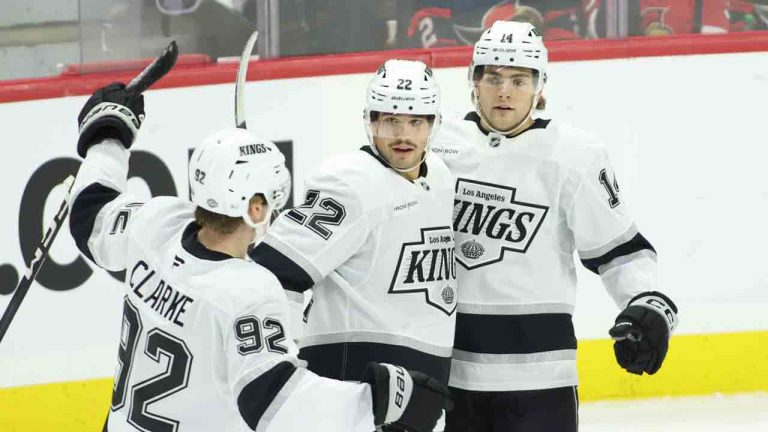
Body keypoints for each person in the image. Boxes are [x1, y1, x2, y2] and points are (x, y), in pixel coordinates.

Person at [70, 82, 451, 431]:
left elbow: (90, 215)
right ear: (255, 208)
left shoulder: (155, 223)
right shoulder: (246, 292)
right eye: (274, 200)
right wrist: (379, 402)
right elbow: (276, 402)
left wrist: (107, 138)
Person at [430, 21, 679, 431]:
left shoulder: (573, 155)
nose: (504, 91)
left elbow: (619, 250)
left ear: (540, 86)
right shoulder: (436, 144)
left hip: (541, 379)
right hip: (452, 375)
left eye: (518, 79)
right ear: (473, 82)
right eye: (492, 77)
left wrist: (647, 303)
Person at [249, 60, 457, 426]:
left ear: (432, 124)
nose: (402, 134)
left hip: (422, 387)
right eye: (389, 120)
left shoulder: (439, 177)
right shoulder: (349, 184)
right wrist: (277, 365)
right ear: (370, 121)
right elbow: (272, 273)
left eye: (415, 122)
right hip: (359, 385)